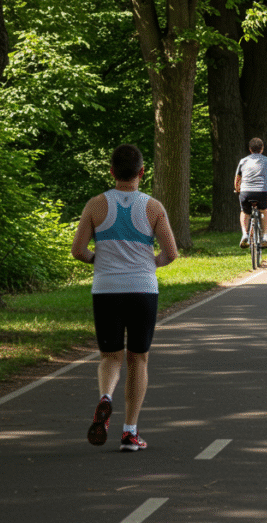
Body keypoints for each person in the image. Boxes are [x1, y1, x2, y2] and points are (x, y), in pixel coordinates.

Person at [71, 144, 179, 452]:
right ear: (142, 172)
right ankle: (130, 432)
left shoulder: (95, 205)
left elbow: (78, 250)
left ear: (112, 172)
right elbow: (171, 253)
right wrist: (149, 264)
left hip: (106, 289)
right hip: (142, 289)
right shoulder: (153, 207)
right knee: (138, 358)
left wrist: (99, 260)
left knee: (110, 357)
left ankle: (106, 396)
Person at [234, 138, 267, 249]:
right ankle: (264, 237)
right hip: (263, 193)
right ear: (262, 149)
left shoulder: (243, 161)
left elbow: (237, 178)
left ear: (250, 149)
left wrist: (237, 189)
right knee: (265, 211)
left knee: (245, 212)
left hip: (246, 192)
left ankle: (244, 234)